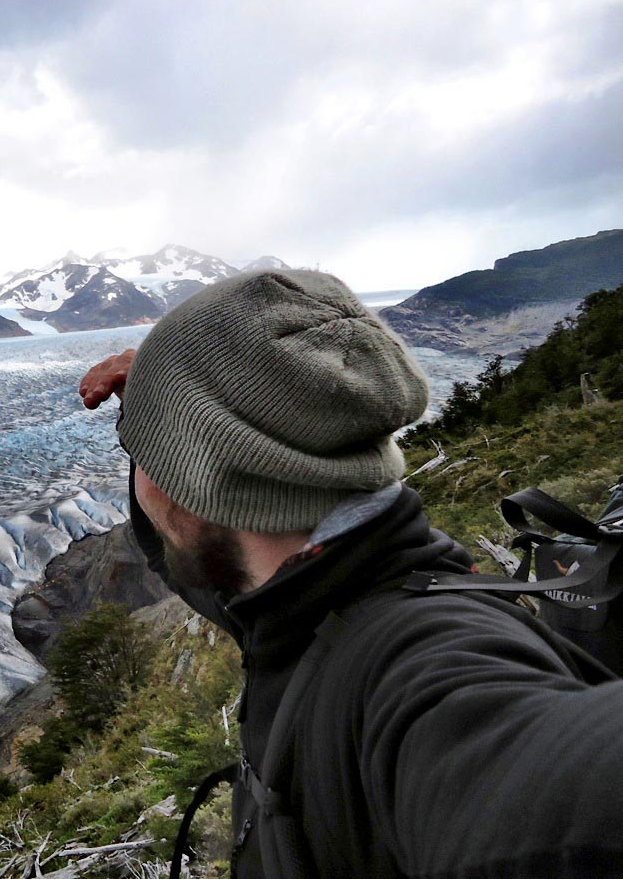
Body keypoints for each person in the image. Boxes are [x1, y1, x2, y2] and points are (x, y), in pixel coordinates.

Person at [78, 268, 623, 878]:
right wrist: (157, 410)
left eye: (145, 450)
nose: (142, 476)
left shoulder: (420, 661)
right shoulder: (301, 595)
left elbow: (554, 784)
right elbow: (191, 553)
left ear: (208, 476)